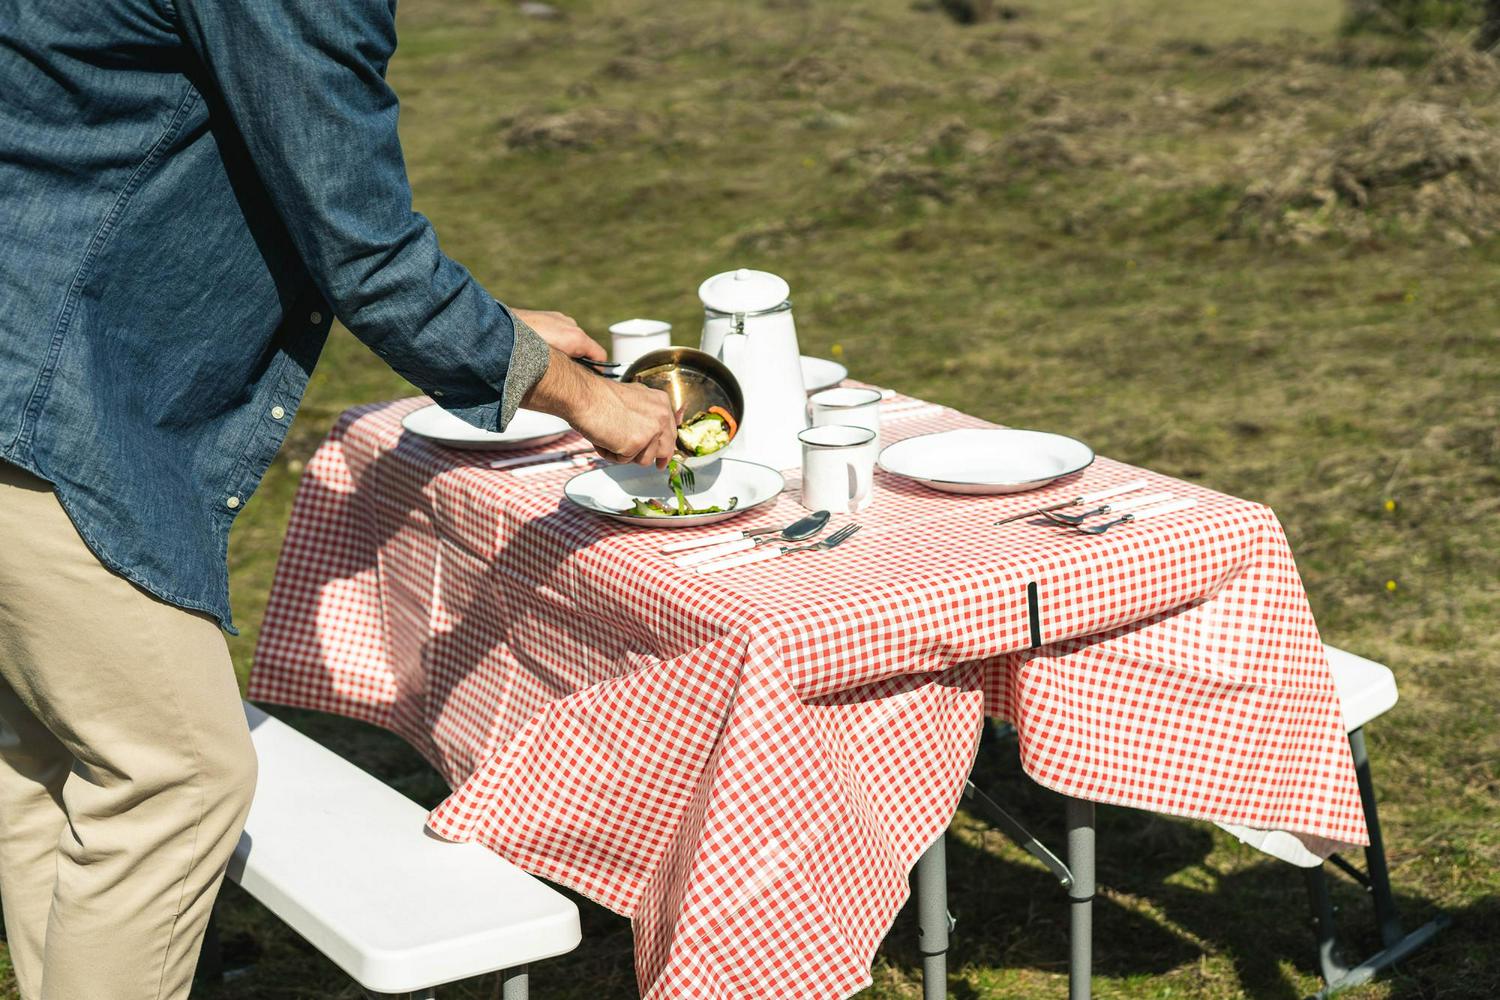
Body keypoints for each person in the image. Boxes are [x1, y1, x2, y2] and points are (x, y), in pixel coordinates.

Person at [0, 1, 679, 996]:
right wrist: (586, 400)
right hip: (52, 413)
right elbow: (368, 253)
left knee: (47, 761)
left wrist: (491, 330)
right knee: (180, 782)